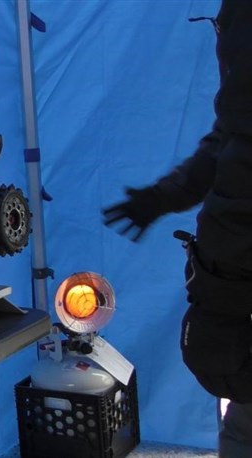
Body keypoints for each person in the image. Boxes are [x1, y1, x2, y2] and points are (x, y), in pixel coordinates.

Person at [102, 1, 252, 457]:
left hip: (233, 256)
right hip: (232, 266)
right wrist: (163, 196)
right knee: (242, 410)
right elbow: (231, 133)